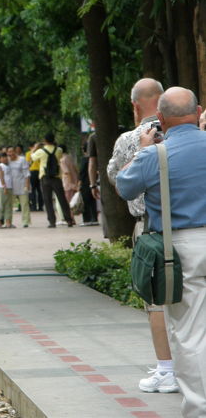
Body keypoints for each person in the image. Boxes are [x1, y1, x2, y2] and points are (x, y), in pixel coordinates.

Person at [116, 87, 206, 417]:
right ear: (198, 113)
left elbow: (125, 187)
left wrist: (141, 149)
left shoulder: (156, 154)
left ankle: (199, 409)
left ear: (162, 120)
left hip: (180, 249)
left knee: (189, 333)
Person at [107, 78, 178, 394]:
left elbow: (117, 179)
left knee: (157, 300)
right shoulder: (187, 133)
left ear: (135, 105)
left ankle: (167, 369)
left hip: (150, 227)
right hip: (191, 222)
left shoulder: (129, 139)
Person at [31, 133, 74, 228]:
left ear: (45, 140)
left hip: (45, 177)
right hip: (56, 177)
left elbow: (32, 157)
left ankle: (52, 222)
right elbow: (59, 156)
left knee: (48, 200)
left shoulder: (41, 151)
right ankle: (69, 220)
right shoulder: (59, 150)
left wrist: (35, 148)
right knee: (62, 199)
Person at [8, 146, 30, 227]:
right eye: (9, 152)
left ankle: (25, 221)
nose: (10, 153)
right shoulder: (7, 161)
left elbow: (26, 173)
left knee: (24, 204)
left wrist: (27, 185)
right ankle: (8, 221)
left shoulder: (22, 159)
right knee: (9, 204)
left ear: (15, 151)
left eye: (12, 151)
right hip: (11, 186)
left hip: (21, 184)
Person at [78, 141, 98, 225]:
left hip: (85, 182)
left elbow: (82, 172)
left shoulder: (84, 159)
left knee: (85, 201)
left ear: (84, 149)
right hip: (93, 181)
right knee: (93, 201)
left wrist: (79, 183)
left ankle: (86, 219)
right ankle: (94, 218)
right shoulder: (95, 158)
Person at [0, 152, 14, 228]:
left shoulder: (8, 166)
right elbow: (1, 176)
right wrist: (4, 186)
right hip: (1, 187)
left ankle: (8, 222)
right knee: (0, 204)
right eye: (3, 157)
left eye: (5, 157)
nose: (5, 158)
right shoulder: (0, 166)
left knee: (8, 205)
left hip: (9, 187)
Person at [26, 141, 44, 211]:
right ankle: (34, 206)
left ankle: (39, 206)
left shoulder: (40, 152)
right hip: (33, 171)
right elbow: (28, 161)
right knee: (34, 190)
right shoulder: (28, 153)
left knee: (39, 190)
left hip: (38, 171)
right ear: (30, 147)